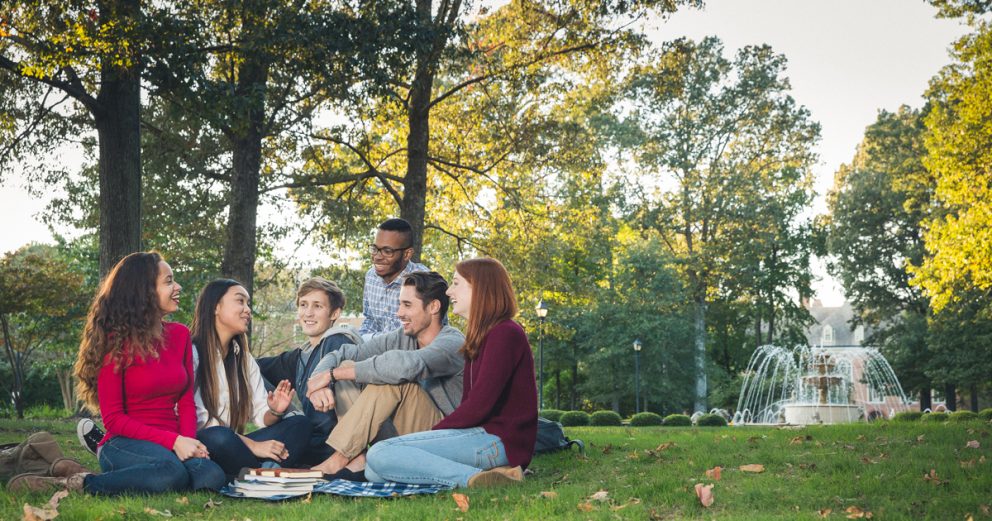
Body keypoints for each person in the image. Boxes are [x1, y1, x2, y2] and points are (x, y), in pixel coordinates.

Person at [11, 252, 226, 494]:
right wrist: (174, 442)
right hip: (124, 442)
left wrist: (190, 443)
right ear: (143, 291)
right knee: (170, 474)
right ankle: (74, 483)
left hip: (173, 440)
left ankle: (99, 473)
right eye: (168, 281)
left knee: (211, 476)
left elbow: (186, 403)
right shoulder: (115, 341)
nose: (178, 287)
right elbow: (113, 418)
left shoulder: (180, 335)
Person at [364, 258, 538, 488]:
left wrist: (431, 436)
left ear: (479, 288)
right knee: (373, 471)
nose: (449, 291)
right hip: (480, 436)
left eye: (456, 283)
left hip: (499, 441)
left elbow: (478, 406)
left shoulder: (505, 334)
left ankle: (472, 479)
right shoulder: (481, 337)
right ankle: (494, 474)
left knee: (380, 453)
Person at [304, 271, 464, 478]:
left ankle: (338, 460)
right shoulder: (401, 337)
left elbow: (408, 366)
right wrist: (318, 382)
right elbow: (341, 353)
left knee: (393, 379)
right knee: (349, 364)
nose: (398, 313)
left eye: (407, 305)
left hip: (440, 439)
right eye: (400, 304)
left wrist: (334, 374)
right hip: (401, 435)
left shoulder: (453, 343)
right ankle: (357, 458)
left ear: (433, 307)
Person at [191, 279, 310, 481]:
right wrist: (255, 446)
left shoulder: (243, 359)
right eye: (240, 301)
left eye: (248, 303)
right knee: (219, 436)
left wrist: (275, 410)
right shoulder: (193, 353)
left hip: (237, 446)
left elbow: (261, 415)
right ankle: (266, 470)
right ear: (216, 307)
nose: (247, 310)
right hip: (206, 444)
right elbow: (200, 423)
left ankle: (257, 471)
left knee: (300, 424)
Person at [256, 277, 362, 464]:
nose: (308, 313)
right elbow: (252, 367)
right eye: (303, 305)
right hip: (306, 434)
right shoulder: (300, 356)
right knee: (248, 370)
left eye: (318, 306)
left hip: (332, 445)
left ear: (334, 313)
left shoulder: (339, 342)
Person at [358, 218, 429, 339]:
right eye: (375, 249)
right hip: (376, 351)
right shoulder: (371, 277)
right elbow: (370, 321)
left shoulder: (424, 281)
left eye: (387, 251)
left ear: (407, 254)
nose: (377, 257)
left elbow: (423, 335)